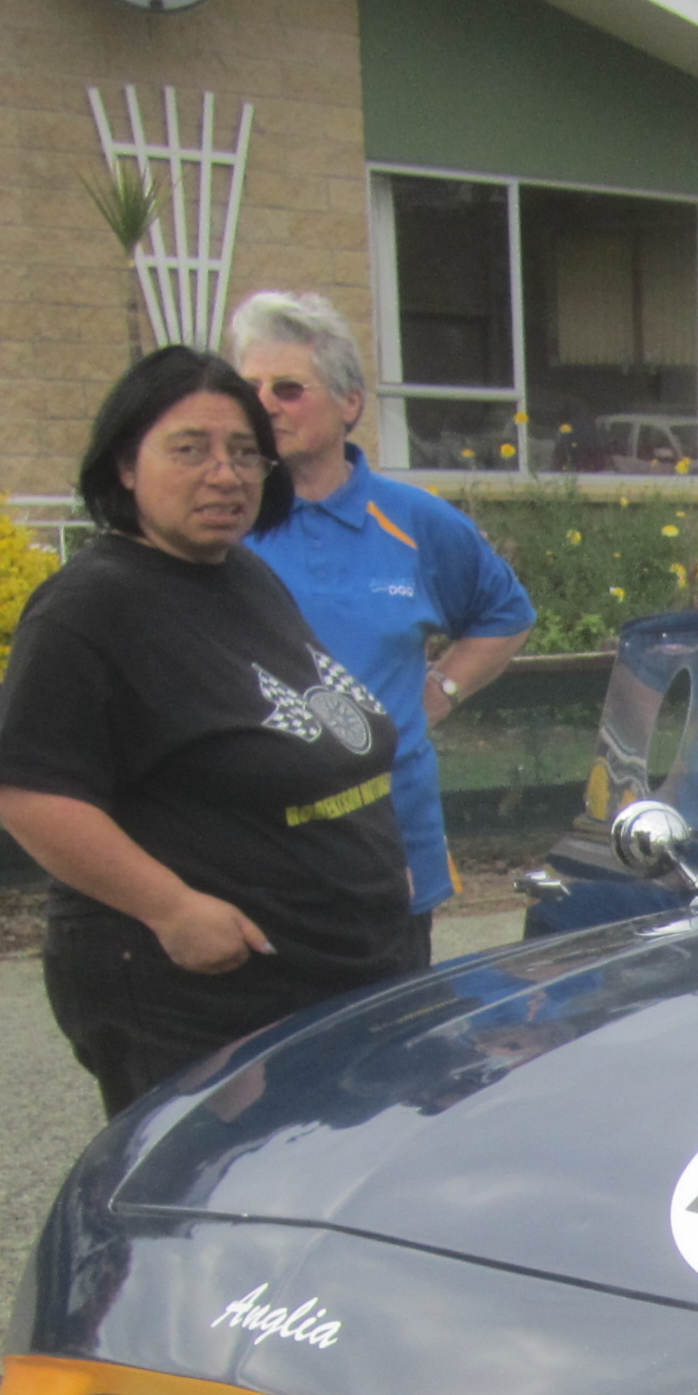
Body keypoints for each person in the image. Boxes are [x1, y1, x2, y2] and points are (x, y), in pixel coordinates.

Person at [0, 347, 422, 1119]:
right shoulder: (90, 609)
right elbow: (28, 789)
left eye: (246, 453)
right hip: (202, 998)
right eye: (190, 450)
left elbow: (313, 730)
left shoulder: (242, 576)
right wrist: (172, 909)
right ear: (125, 465)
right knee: (227, 1210)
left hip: (335, 969)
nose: (225, 474)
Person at [229, 290, 534, 956]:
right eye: (250, 388)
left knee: (387, 1043)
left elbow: (506, 613)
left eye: (288, 388)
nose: (266, 404)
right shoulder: (222, 519)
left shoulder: (415, 521)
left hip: (388, 847)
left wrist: (436, 695)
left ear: (350, 404)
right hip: (253, 858)